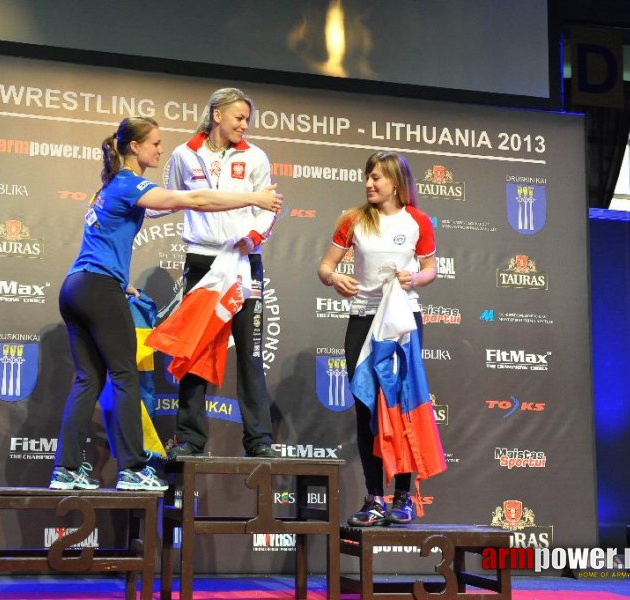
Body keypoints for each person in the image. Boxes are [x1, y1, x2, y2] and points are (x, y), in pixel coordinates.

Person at [50, 116, 283, 491]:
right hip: (96, 288)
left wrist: (122, 285)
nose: (161, 150)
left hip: (76, 287)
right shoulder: (127, 183)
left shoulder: (107, 186)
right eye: (155, 143)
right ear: (134, 148)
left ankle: (66, 470)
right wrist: (253, 198)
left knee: (87, 380)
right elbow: (191, 199)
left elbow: (103, 241)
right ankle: (133, 470)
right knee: (125, 376)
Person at [317, 151, 438, 525]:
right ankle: (374, 498)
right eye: (367, 177)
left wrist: (413, 278)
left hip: (401, 322)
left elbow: (431, 269)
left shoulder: (418, 221)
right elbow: (325, 267)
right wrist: (335, 279)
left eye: (377, 178)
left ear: (397, 183)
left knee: (399, 407)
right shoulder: (353, 220)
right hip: (363, 320)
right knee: (367, 410)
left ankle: (403, 497)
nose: (369, 184)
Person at [163, 87, 279, 459]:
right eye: (239, 118)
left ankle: (259, 439)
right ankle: (189, 438)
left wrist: (255, 234)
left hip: (244, 263)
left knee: (250, 352)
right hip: (202, 260)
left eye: (248, 119)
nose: (245, 125)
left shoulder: (257, 157)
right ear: (217, 114)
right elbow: (170, 199)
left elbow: (269, 206)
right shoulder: (184, 155)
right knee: (195, 349)